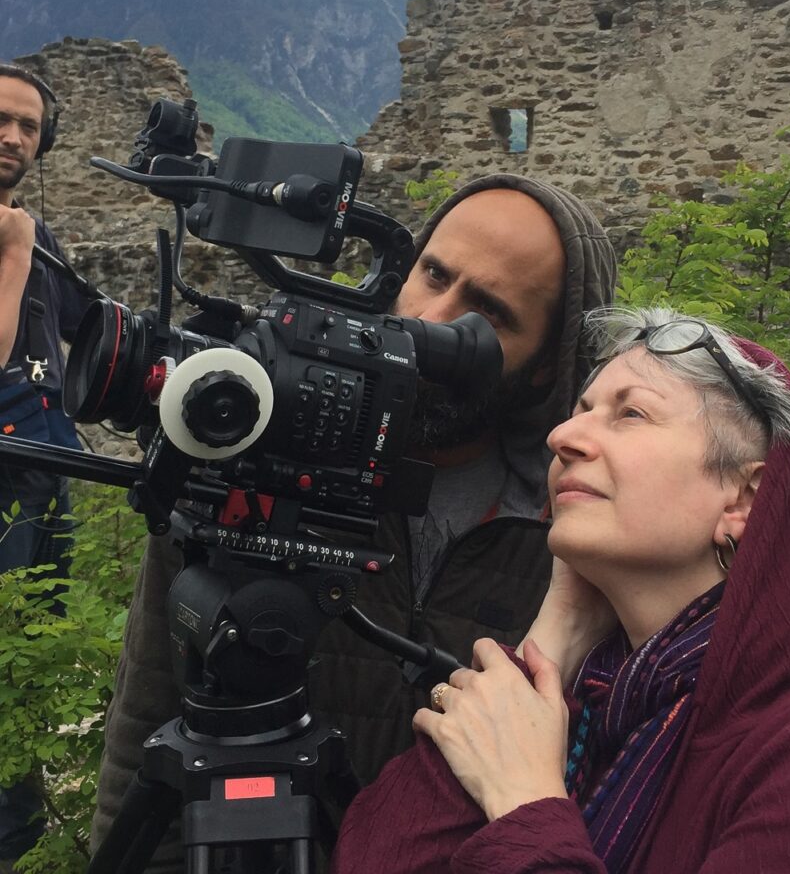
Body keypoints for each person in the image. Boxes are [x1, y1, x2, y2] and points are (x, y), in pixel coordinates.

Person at [331, 305, 790, 874]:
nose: (562, 437)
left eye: (631, 413)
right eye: (580, 410)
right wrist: (553, 639)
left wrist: (527, 809)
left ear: (745, 496)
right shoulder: (590, 709)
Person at [91, 174, 618, 867]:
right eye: (433, 273)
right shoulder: (248, 463)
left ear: (549, 368)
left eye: (487, 312)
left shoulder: (572, 542)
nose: (430, 317)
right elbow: (146, 730)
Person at [0, 63, 89, 865]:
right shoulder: (19, 236)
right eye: (2, 120)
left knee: (32, 655)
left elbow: (89, 331)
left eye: (29, 127)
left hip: (44, 474)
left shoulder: (32, 231)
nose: (13, 138)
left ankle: (22, 828)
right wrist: (17, 246)